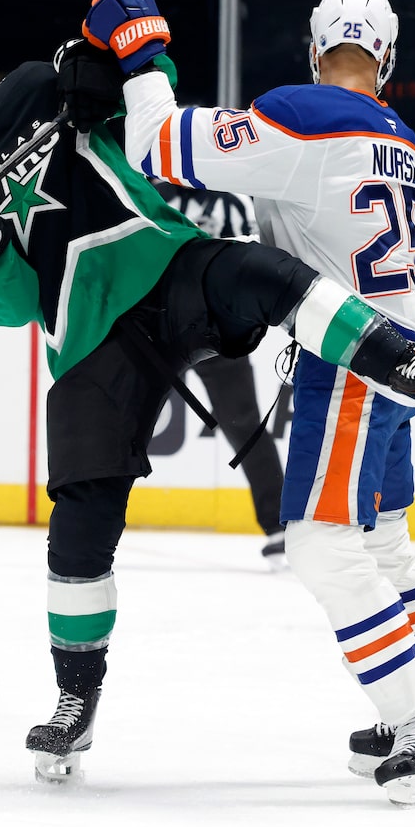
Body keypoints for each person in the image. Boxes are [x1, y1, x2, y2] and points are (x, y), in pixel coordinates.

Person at [0, 0, 415, 803]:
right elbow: (13, 304)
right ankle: (74, 702)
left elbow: (138, 109)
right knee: (79, 524)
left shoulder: (26, 90)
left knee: (254, 274)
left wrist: (95, 65)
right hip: (86, 341)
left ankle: (402, 364)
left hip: (160, 262)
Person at [94, 0, 415, 806]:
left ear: (314, 51)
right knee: (383, 542)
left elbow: (157, 145)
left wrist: (142, 51)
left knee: (319, 544)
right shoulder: (397, 135)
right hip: (408, 346)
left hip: (351, 358)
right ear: (386, 57)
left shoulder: (304, 115)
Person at [152, 180, 287, 568]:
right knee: (124, 421)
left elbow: (254, 261)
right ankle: (94, 514)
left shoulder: (235, 202)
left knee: (244, 424)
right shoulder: (154, 195)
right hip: (157, 329)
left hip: (218, 332)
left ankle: (279, 524)